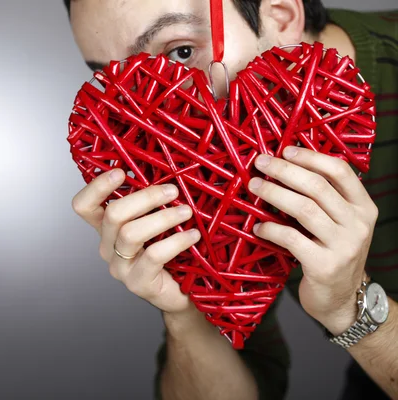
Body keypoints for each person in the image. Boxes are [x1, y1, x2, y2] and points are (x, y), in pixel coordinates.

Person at [65, 0, 398, 398]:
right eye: (111, 77)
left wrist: (351, 309)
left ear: (281, 16)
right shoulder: (186, 163)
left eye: (181, 52)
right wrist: (186, 313)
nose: (144, 110)